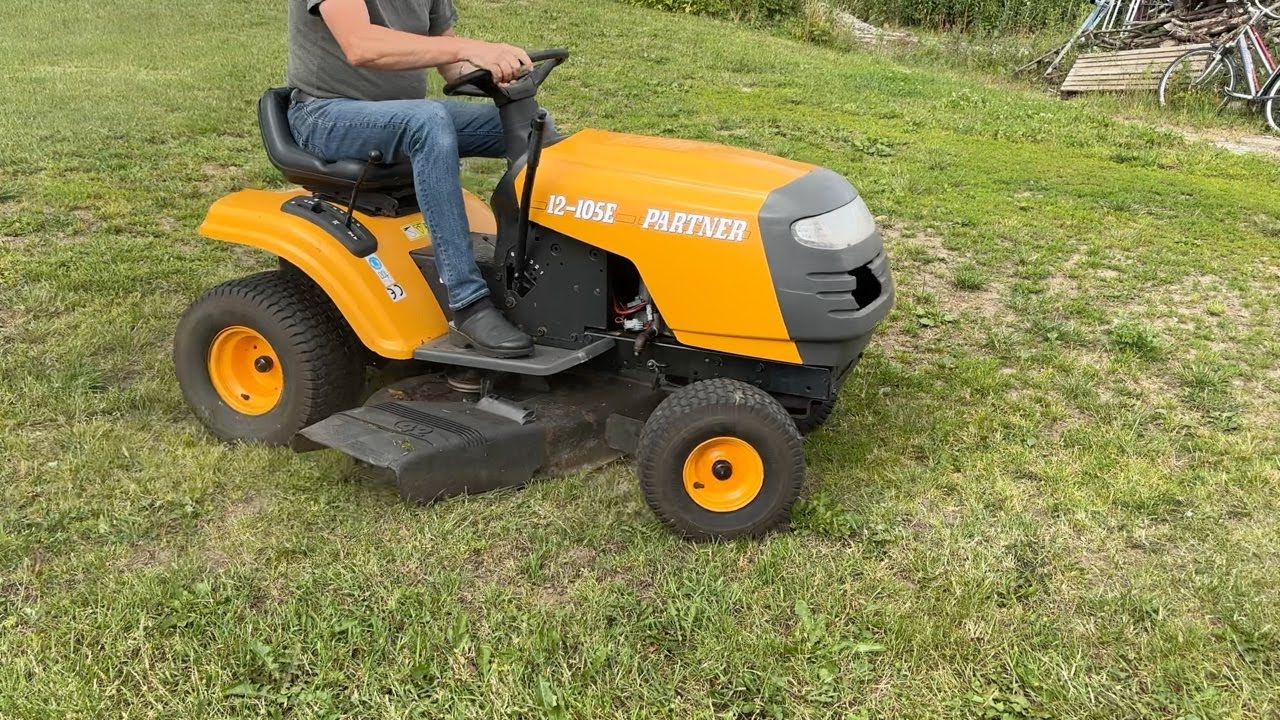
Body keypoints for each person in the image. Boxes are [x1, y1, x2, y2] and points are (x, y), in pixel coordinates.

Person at [287, 0, 535, 358]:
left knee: (530, 125)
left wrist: (496, 70)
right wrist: (471, 48)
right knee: (428, 122)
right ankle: (468, 303)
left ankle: (541, 272)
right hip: (325, 114)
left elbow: (452, 64)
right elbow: (361, 45)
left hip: (399, 113)